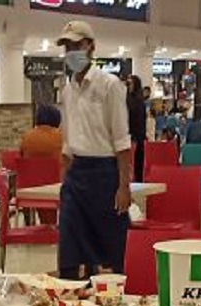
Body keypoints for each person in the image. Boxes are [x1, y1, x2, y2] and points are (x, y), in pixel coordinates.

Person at [56, 19, 131, 279]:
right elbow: (67, 142)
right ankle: (66, 301)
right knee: (69, 247)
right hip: (76, 176)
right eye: (67, 47)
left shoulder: (109, 85)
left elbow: (122, 142)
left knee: (112, 248)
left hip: (105, 174)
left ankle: (114, 302)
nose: (71, 52)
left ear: (91, 47)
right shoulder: (67, 91)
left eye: (77, 45)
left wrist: (124, 187)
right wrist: (63, 183)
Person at [126, 74, 147, 182]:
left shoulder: (132, 101)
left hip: (133, 136)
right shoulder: (140, 101)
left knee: (134, 165)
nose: (127, 86)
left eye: (129, 83)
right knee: (137, 166)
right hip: (136, 137)